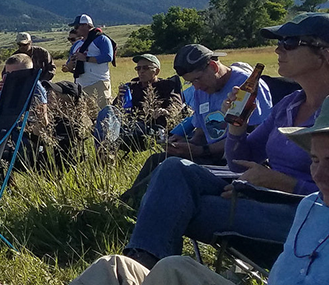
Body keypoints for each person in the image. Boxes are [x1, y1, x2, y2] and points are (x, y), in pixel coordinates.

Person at [36, 101, 329, 285]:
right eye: (315, 160)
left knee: (179, 274)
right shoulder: (310, 206)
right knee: (114, 270)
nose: (320, 174)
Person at [121, 14, 329, 269]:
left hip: (306, 216)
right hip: (262, 196)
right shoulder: (290, 104)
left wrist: (285, 184)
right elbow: (240, 162)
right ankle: (142, 269)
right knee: (173, 168)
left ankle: (142, 273)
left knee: (178, 206)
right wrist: (237, 126)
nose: (278, 49)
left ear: (323, 53)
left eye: (289, 42)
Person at [120, 44, 271, 205]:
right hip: (209, 155)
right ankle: (131, 202)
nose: (196, 87)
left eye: (197, 79)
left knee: (172, 168)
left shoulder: (245, 86)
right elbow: (200, 132)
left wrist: (201, 150)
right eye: (191, 82)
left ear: (213, 66)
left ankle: (133, 205)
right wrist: (184, 145)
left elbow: (250, 138)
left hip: (233, 164)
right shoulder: (202, 90)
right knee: (156, 160)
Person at [104, 54, 185, 149]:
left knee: (112, 133)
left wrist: (166, 111)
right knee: (106, 112)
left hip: (151, 128)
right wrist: (119, 97)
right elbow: (115, 110)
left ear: (157, 71)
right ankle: (105, 151)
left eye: (145, 68)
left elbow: (176, 104)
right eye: (138, 68)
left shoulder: (166, 86)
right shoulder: (132, 87)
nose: (141, 71)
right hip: (129, 124)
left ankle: (107, 145)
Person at [63, 14, 116, 110]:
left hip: (99, 83)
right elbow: (69, 64)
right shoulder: (77, 45)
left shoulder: (101, 39)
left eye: (76, 27)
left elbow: (108, 56)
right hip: (80, 85)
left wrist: (86, 58)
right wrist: (71, 63)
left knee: (103, 114)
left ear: (85, 25)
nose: (75, 30)